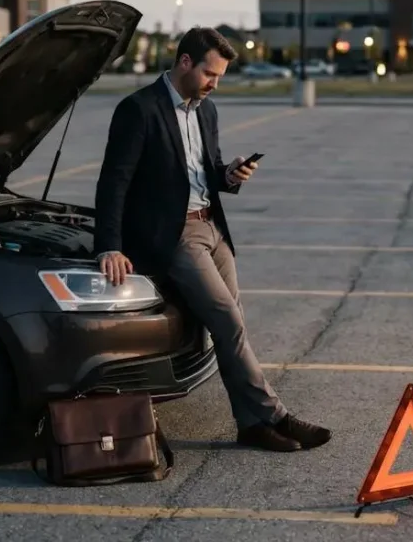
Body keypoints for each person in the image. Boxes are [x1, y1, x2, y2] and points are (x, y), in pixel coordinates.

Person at [93, 27, 331, 452]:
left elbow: (209, 169)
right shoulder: (139, 109)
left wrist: (231, 175)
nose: (214, 83)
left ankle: (251, 426)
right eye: (209, 73)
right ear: (185, 62)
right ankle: (276, 415)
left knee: (232, 325)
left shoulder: (206, 110)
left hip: (213, 229)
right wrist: (109, 244)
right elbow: (114, 181)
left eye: (219, 76)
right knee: (227, 321)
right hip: (174, 235)